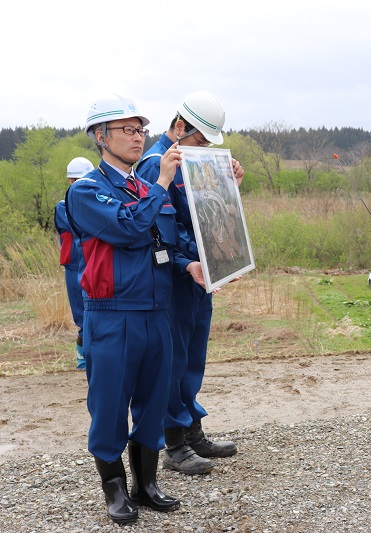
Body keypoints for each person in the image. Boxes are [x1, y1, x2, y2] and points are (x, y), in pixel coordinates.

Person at [67, 94, 203, 524]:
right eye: (127, 130)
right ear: (100, 136)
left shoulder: (146, 190)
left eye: (140, 130)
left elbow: (163, 244)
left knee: (152, 400)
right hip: (112, 314)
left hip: (156, 311)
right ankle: (114, 490)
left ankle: (146, 484)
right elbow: (128, 229)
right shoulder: (87, 191)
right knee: (109, 406)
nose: (137, 137)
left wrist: (192, 264)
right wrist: (162, 183)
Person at [137, 90, 244, 475]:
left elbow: (207, 216)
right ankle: (174, 444)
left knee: (193, 359)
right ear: (180, 127)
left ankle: (192, 430)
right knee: (173, 360)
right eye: (200, 140)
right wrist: (190, 263)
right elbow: (162, 230)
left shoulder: (194, 161)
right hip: (174, 280)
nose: (203, 148)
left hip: (201, 277)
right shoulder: (156, 166)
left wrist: (229, 184)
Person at [54, 156, 94, 370]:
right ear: (70, 181)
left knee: (94, 310)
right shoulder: (63, 207)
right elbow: (81, 225)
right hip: (74, 266)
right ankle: (82, 357)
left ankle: (92, 355)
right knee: (81, 313)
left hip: (93, 263)